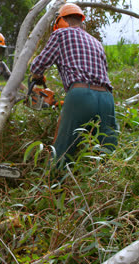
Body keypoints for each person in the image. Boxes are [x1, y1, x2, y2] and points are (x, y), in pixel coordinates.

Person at [30, 3, 118, 167]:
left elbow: (37, 66)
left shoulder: (61, 34)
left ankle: (52, 185)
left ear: (61, 21)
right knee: (107, 150)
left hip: (80, 95)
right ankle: (107, 186)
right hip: (107, 98)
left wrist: (37, 76)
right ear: (80, 20)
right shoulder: (96, 42)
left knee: (62, 150)